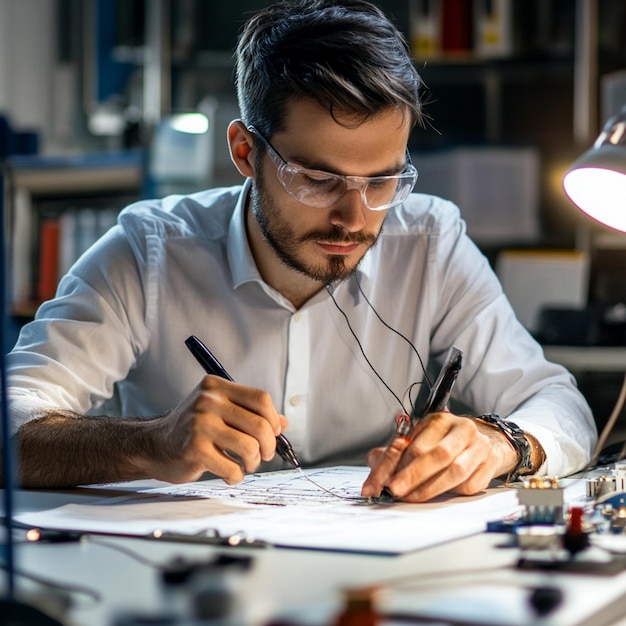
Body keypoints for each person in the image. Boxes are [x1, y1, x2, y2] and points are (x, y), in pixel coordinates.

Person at [6, 0, 596, 502]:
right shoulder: (149, 252)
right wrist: (149, 442)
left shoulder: (430, 243)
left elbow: (558, 405)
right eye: (317, 178)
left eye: (382, 181)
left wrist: (498, 443)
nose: (354, 216)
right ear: (244, 152)